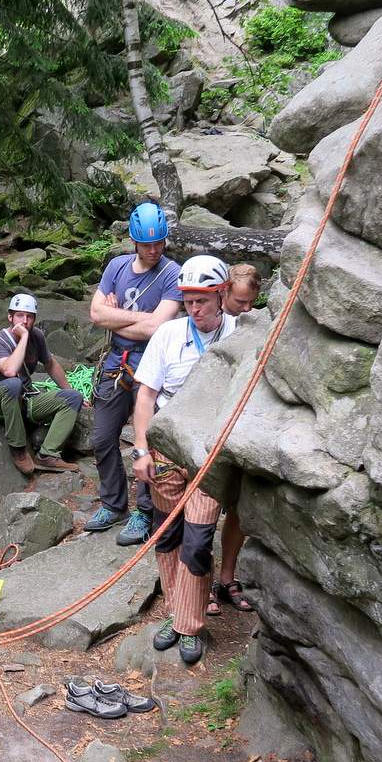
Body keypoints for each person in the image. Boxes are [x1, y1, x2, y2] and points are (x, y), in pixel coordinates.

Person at [130, 255, 236, 666]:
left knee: (197, 540)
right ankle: (176, 614)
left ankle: (190, 625)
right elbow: (146, 396)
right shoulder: (169, 334)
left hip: (210, 455)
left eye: (202, 301)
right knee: (168, 534)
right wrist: (141, 450)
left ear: (222, 296)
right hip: (167, 449)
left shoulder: (238, 335)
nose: (194, 309)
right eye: (189, 301)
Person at [85, 202, 184, 547]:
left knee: (147, 440)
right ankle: (113, 504)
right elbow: (95, 314)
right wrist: (140, 319)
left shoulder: (171, 273)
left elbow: (158, 328)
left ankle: (144, 511)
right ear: (134, 241)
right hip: (116, 363)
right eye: (146, 244)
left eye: (158, 243)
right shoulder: (117, 266)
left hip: (152, 365)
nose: (154, 250)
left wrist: (116, 317)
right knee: (102, 438)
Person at [0, 294, 83, 476]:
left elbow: (50, 364)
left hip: (25, 399)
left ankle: (47, 454)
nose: (25, 321)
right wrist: (24, 337)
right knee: (13, 383)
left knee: (73, 398)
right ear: (10, 317)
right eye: (20, 315)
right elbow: (9, 370)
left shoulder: (37, 336)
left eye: (29, 316)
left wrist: (68, 389)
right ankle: (18, 449)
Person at [210, 264, 262, 616]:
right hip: (210, 422)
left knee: (238, 510)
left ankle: (227, 577)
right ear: (224, 292)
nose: (246, 308)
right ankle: (202, 582)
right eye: (240, 301)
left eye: (251, 302)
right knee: (204, 511)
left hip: (240, 425)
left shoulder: (255, 322)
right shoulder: (211, 321)